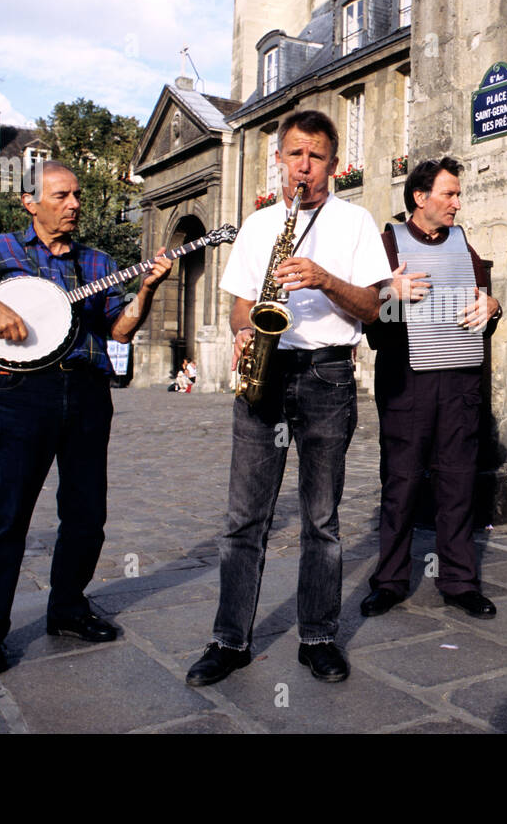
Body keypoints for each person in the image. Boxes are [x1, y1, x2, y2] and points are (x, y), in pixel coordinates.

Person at [0, 160, 172, 676]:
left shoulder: (99, 261)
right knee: (7, 517)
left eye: (77, 195)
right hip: (22, 394)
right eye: (61, 195)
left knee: (86, 515)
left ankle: (67, 609)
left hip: (86, 392)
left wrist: (146, 290)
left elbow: (120, 331)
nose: (74, 204)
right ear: (30, 202)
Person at [185, 110, 390, 687]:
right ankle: (229, 640)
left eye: (316, 156)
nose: (304, 167)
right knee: (244, 518)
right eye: (294, 154)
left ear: (334, 163)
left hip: (327, 375)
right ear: (279, 158)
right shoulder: (258, 225)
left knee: (322, 519)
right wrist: (246, 329)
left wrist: (323, 278)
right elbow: (237, 306)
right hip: (267, 373)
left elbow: (374, 309)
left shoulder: (354, 222)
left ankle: (319, 636)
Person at [360, 157, 501, 621]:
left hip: (459, 378)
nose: (457, 204)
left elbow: (485, 299)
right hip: (407, 380)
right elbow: (371, 326)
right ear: (420, 198)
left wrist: (493, 305)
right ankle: (390, 580)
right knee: (400, 481)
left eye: (458, 194)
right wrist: (388, 296)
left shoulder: (463, 243)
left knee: (458, 480)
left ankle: (459, 581)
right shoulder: (387, 245)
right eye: (449, 194)